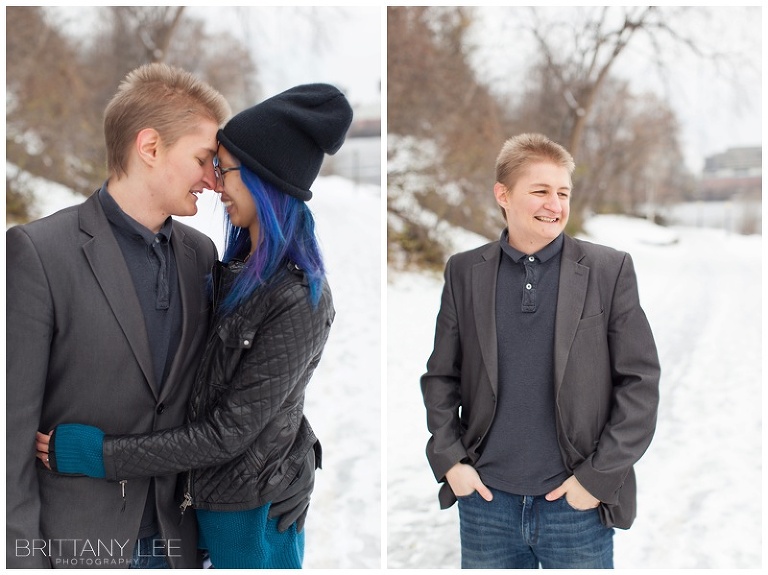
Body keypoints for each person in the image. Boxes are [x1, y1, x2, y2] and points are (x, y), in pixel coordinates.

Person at [34, 83, 354, 569]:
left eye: (224, 169)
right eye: (210, 164)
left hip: (249, 526)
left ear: (267, 180)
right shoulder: (231, 268)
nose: (215, 183)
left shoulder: (296, 294)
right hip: (199, 519)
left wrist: (98, 454)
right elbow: (241, 390)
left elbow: (230, 428)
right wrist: (300, 449)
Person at [6, 62, 230, 568]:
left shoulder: (201, 255)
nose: (213, 180)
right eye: (203, 159)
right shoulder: (38, 253)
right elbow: (9, 430)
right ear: (149, 148)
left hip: (178, 545)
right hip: (74, 549)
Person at [420, 133, 661, 569]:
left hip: (576, 506)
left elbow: (640, 384)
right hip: (486, 505)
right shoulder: (464, 271)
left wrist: (595, 479)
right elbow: (441, 378)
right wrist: (451, 460)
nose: (555, 203)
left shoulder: (609, 270)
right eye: (541, 191)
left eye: (563, 192)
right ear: (503, 195)